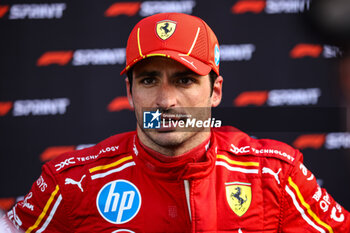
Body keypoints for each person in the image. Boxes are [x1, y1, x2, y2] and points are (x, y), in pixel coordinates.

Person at [1, 12, 349, 233]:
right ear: (130, 91)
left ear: (215, 92)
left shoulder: (274, 174)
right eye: (149, 80)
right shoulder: (71, 182)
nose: (166, 102)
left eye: (184, 80)